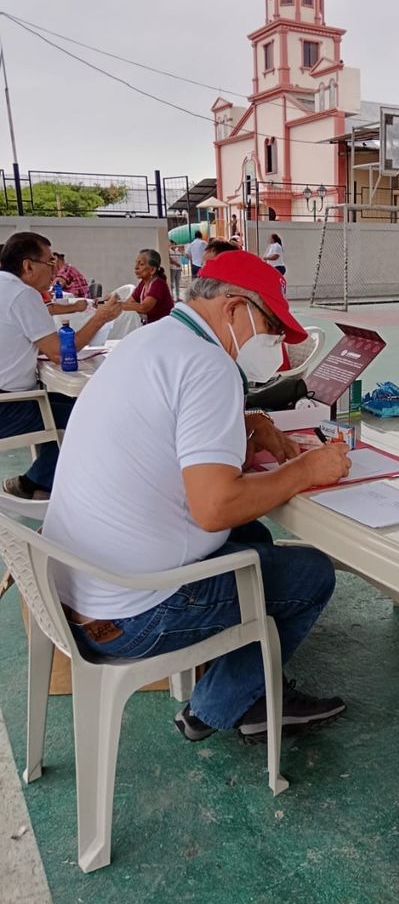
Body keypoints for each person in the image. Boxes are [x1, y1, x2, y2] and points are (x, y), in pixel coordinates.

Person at [42, 251, 351, 742]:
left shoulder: (151, 340)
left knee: (254, 536)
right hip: (131, 614)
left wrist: (245, 425)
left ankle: (246, 684)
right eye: (271, 329)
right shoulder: (209, 365)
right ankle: (218, 706)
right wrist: (306, 469)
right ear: (234, 308)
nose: (276, 349)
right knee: (311, 573)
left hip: (73, 593)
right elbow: (215, 507)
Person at [0, 232, 121, 499]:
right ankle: (34, 484)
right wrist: (100, 318)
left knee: (75, 403)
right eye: (49, 263)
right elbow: (59, 352)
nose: (54, 271)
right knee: (92, 416)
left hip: (13, 398)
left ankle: (44, 481)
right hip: (9, 407)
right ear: (28, 266)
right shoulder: (22, 294)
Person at [121, 249, 174, 324]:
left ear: (152, 270)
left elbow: (144, 307)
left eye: (141, 264)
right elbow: (130, 302)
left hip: (164, 325)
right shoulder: (143, 284)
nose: (136, 267)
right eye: (136, 263)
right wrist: (115, 301)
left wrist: (118, 305)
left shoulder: (158, 284)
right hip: (151, 325)